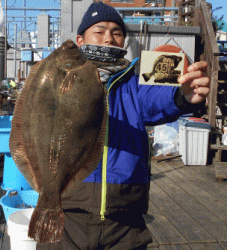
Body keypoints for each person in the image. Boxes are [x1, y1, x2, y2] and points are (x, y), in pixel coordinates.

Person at [59, 2, 210, 249]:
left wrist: (182, 96)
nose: (108, 38)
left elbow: (156, 98)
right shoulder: (61, 80)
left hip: (126, 218)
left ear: (123, 42)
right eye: (99, 30)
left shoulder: (134, 80)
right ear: (80, 39)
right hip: (68, 211)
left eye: (117, 32)